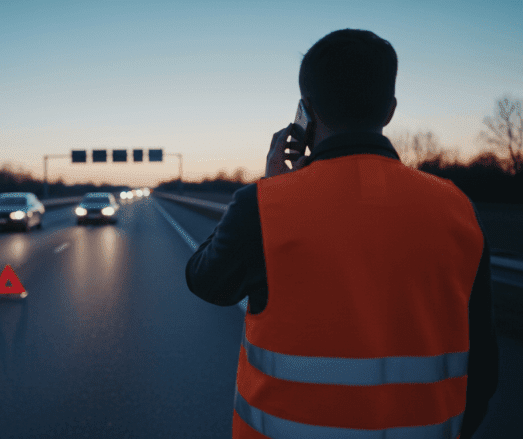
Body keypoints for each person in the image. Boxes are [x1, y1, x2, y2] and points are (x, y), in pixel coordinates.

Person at [185, 29, 498, 439]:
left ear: (307, 111)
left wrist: (271, 185)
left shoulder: (262, 207)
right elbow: (485, 370)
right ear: (389, 110)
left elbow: (207, 280)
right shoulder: (457, 208)